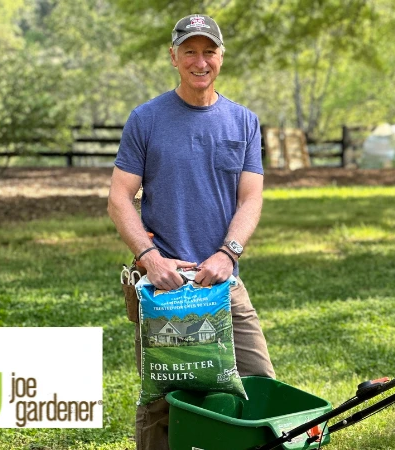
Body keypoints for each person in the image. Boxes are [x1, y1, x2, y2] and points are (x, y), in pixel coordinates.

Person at [107, 13, 274, 450]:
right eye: (190, 52)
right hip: (165, 286)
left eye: (209, 51)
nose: (200, 61)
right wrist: (149, 258)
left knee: (258, 384)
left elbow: (250, 198)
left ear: (221, 56)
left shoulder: (243, 121)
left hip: (222, 280)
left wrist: (228, 253)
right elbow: (119, 198)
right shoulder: (146, 119)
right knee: (164, 400)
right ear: (174, 57)